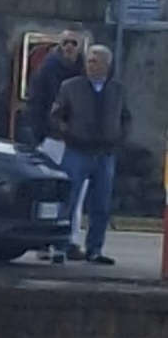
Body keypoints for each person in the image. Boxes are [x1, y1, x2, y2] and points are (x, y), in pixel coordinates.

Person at [51, 43, 130, 267]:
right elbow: (56, 115)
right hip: (77, 151)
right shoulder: (71, 87)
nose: (90, 65)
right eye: (88, 61)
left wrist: (119, 137)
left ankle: (95, 249)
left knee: (101, 205)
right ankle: (60, 246)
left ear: (107, 65)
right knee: (68, 200)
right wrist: (68, 134)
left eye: (95, 61)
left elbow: (126, 116)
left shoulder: (117, 90)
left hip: (105, 153)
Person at [25, 29, 86, 263]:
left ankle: (68, 240)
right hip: (51, 139)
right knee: (48, 192)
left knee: (76, 195)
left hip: (77, 142)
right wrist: (39, 135)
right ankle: (43, 242)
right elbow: (36, 103)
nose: (69, 47)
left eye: (73, 43)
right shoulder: (46, 71)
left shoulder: (84, 72)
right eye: (65, 43)